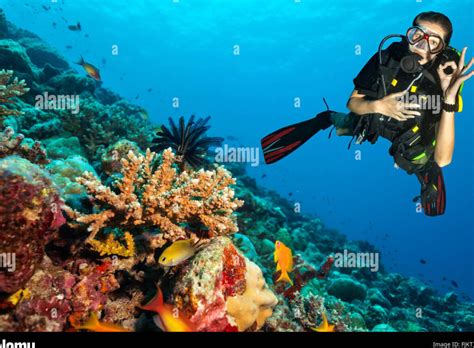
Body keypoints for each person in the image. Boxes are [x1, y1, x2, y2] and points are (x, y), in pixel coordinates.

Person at [261, 11, 474, 216]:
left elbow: (444, 160)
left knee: (418, 160)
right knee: (345, 126)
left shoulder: (446, 75)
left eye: (433, 41)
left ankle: (426, 173)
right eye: (417, 34)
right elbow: (353, 102)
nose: (421, 45)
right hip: (375, 116)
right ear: (408, 34)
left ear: (441, 48)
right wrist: (379, 106)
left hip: (413, 134)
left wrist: (448, 99)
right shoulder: (388, 56)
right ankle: (326, 118)